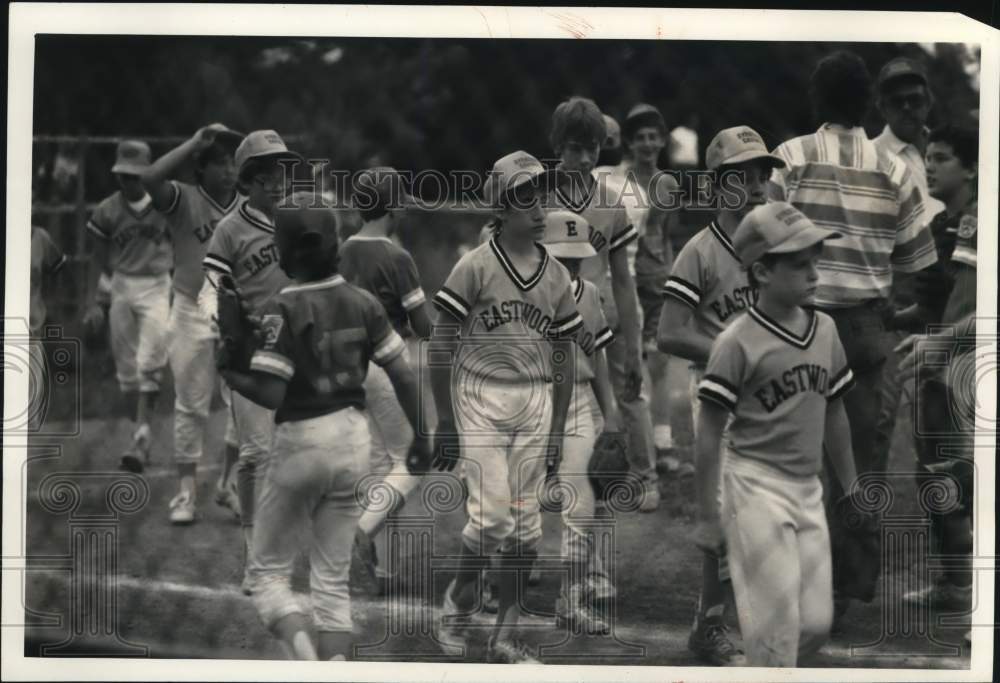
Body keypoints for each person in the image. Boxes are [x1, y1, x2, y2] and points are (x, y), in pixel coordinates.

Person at [222, 191, 431, 660]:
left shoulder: (282, 306)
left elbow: (272, 393)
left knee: (268, 576)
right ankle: (335, 662)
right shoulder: (362, 302)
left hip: (301, 440)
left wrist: (231, 372)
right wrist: (422, 434)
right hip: (353, 441)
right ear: (336, 245)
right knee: (332, 584)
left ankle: (306, 659)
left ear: (283, 251)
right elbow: (401, 372)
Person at [768, 50, 939, 620]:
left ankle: (796, 582)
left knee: (793, 456)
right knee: (860, 462)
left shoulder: (791, 157)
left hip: (802, 322)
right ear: (868, 101)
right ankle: (850, 590)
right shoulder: (894, 170)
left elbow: (763, 232)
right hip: (868, 325)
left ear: (818, 99)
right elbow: (918, 260)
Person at [430, 151, 583, 664]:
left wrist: (559, 426)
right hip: (479, 395)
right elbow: (440, 342)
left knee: (526, 528)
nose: (538, 207)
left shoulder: (559, 276)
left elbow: (563, 354)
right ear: (501, 206)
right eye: (523, 197)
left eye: (541, 194)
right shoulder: (474, 265)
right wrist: (446, 421)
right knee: (492, 519)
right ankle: (457, 603)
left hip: (536, 399)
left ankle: (504, 635)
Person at [693, 201, 858, 667]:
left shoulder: (824, 328)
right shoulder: (736, 341)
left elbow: (835, 410)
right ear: (762, 273)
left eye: (815, 262)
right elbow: (708, 432)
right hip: (755, 489)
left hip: (809, 489)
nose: (814, 274)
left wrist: (851, 485)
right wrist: (708, 515)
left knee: (815, 623)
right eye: (799, 264)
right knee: (778, 632)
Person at [659, 125, 786, 666]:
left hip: (775, 396)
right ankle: (712, 622)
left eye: (762, 175)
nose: (756, 186)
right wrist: (732, 354)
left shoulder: (778, 242)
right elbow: (670, 331)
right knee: (725, 509)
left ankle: (750, 616)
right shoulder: (701, 250)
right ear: (717, 186)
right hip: (719, 398)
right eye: (742, 177)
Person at [544, 96, 657, 511]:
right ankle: (524, 539)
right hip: (539, 332)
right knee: (537, 435)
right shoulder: (534, 196)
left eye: (593, 147)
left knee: (601, 429)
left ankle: (639, 480)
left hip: (593, 327)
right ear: (558, 146)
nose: (585, 157)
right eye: (576, 148)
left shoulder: (612, 202)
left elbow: (624, 281)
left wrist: (633, 344)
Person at [201, 130, 301, 570]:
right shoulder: (230, 229)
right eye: (267, 176)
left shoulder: (298, 219)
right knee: (256, 453)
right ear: (248, 181)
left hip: (299, 348)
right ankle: (253, 554)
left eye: (281, 173)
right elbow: (212, 288)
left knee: (299, 450)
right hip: (252, 352)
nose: (278, 183)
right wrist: (225, 326)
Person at [892, 124, 978, 611]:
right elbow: (934, 304)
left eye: (942, 158)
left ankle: (966, 583)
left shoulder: (977, 220)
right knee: (932, 475)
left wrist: (942, 342)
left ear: (970, 167)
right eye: (928, 156)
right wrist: (897, 318)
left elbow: (978, 309)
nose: (929, 165)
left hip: (961, 369)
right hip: (940, 364)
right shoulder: (944, 223)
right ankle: (952, 581)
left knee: (952, 476)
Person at [141, 123, 244, 523]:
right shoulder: (183, 198)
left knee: (244, 401)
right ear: (201, 170)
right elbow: (150, 177)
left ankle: (230, 482)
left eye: (232, 165)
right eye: (218, 165)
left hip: (236, 311)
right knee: (191, 403)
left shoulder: (248, 204)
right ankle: (185, 491)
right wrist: (195, 142)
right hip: (189, 308)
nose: (228, 172)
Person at [338, 166, 433, 592]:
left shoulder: (341, 250)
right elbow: (421, 323)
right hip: (387, 363)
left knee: (381, 465)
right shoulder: (396, 256)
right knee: (415, 458)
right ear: (392, 206)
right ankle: (359, 532)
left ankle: (380, 570)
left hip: (347, 364)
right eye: (404, 199)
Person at [540, 209, 621, 635]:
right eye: (562, 256)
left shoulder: (589, 292)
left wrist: (612, 412)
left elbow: (599, 356)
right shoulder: (528, 290)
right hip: (531, 401)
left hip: (578, 404)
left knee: (581, 507)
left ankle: (569, 601)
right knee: (514, 503)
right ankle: (489, 583)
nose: (570, 264)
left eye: (576, 258)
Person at [870, 55, 945, 494]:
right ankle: (866, 519)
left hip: (942, 292)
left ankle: (944, 521)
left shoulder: (942, 152)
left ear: (928, 101)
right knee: (880, 417)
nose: (907, 108)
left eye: (915, 99)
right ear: (881, 106)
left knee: (938, 420)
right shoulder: (873, 157)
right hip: (893, 294)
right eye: (896, 101)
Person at [81, 140, 172, 471]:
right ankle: (141, 432)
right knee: (127, 375)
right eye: (124, 175)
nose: (129, 182)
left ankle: (141, 440)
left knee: (150, 359)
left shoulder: (165, 206)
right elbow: (96, 259)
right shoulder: (107, 210)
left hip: (157, 284)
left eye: (136, 176)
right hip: (121, 285)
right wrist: (93, 301)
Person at [29, 224, 68, 432]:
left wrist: (52, 302)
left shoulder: (40, 237)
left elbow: (58, 266)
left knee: (30, 414)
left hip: (31, 322)